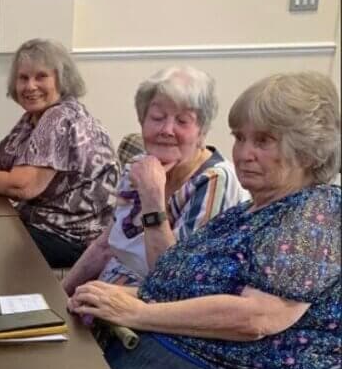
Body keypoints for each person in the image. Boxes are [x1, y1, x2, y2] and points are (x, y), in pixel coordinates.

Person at [69, 72, 341, 369]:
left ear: (307, 150)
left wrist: (137, 312)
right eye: (240, 137)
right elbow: (173, 283)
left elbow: (259, 318)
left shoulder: (318, 212)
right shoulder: (251, 211)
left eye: (264, 141)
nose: (244, 153)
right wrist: (117, 297)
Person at [0, 38, 117, 269]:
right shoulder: (36, 116)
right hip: (41, 222)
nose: (30, 86)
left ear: (61, 78)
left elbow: (23, 186)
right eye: (23, 78)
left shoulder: (59, 118)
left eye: (41, 77)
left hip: (72, 237)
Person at [62, 66, 247, 295]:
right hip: (104, 296)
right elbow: (105, 246)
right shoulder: (141, 165)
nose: (167, 130)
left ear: (202, 131)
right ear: (142, 121)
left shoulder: (214, 181)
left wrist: (152, 197)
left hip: (152, 313)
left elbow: (173, 282)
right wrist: (58, 297)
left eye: (182, 121)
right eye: (157, 118)